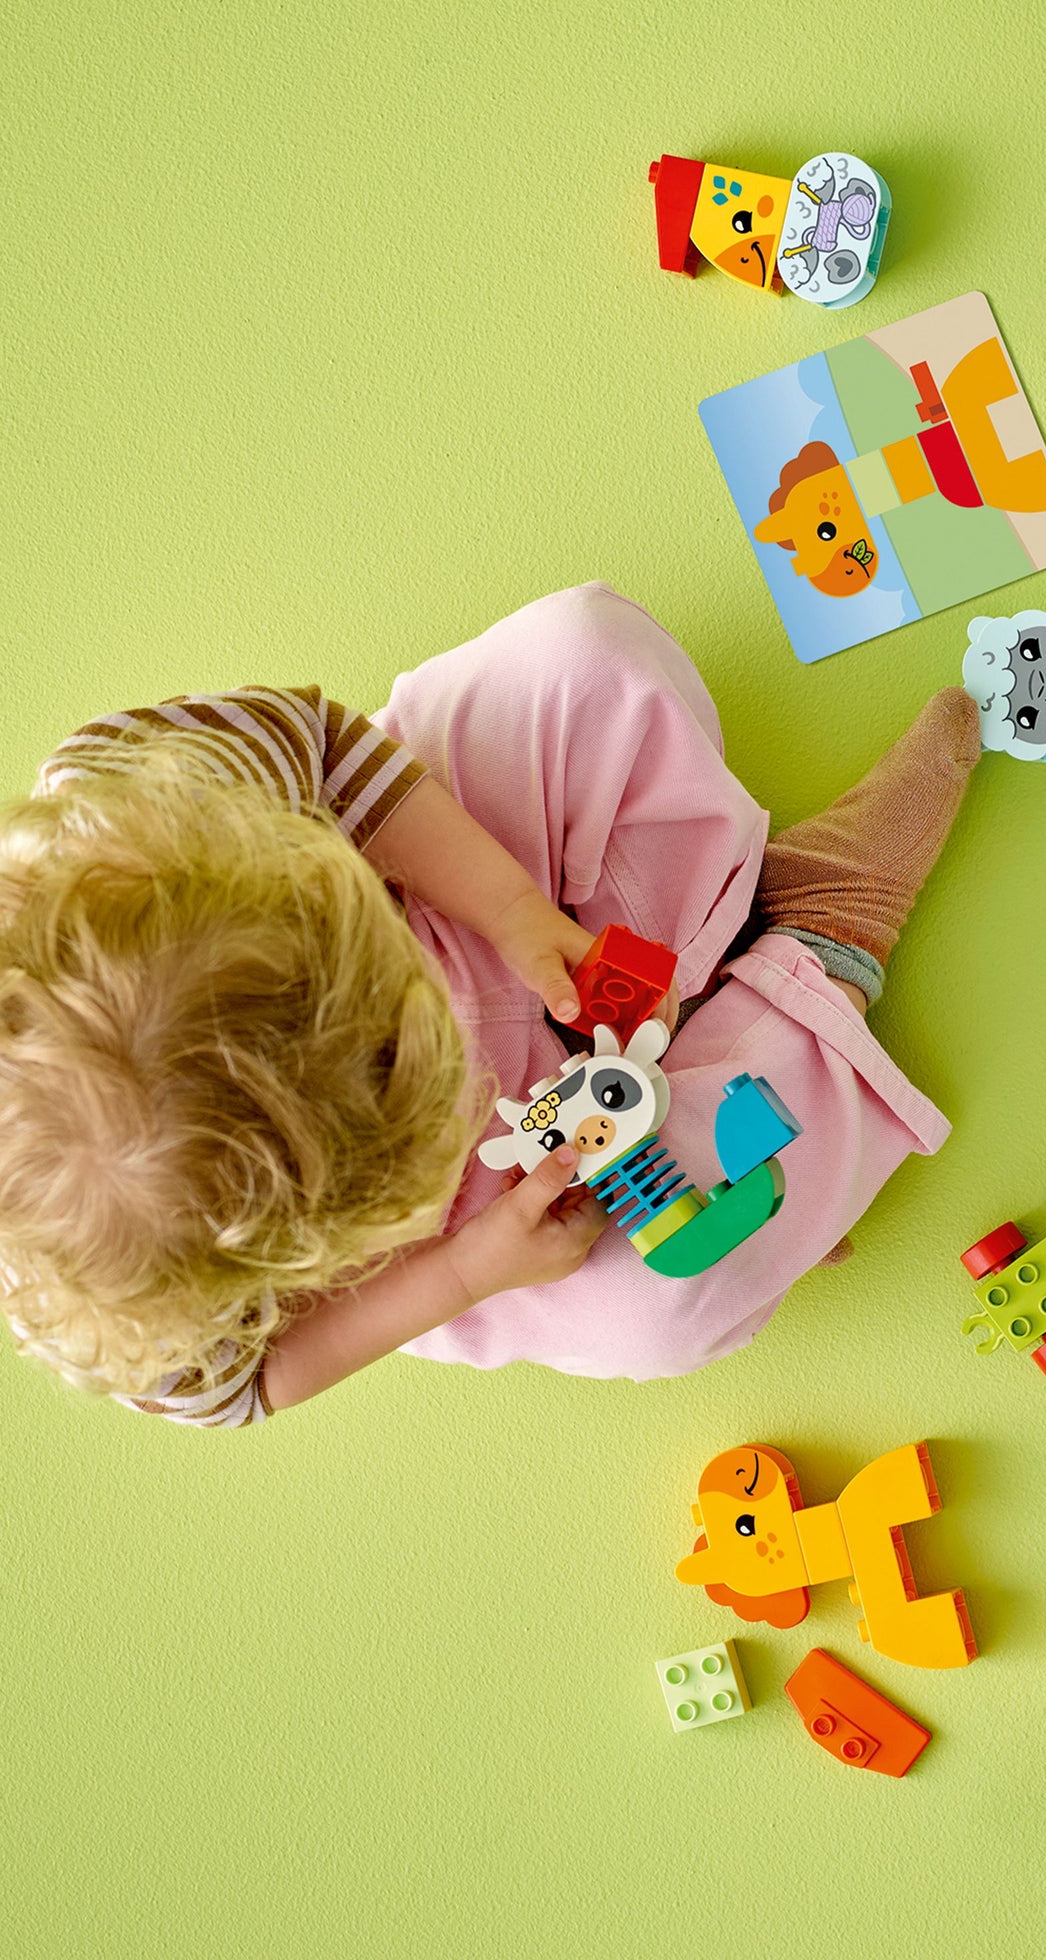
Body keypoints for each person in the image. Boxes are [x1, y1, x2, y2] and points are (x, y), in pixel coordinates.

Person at [0, 583, 979, 1425]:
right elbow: (251, 1383)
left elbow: (331, 748)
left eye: (399, 1024)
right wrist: (471, 1270)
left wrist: (511, 911)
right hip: (480, 1208)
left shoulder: (151, 793)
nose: (445, 1056)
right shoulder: (128, 1295)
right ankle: (819, 939)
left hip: (438, 877)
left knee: (583, 655)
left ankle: (712, 991)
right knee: (663, 1301)